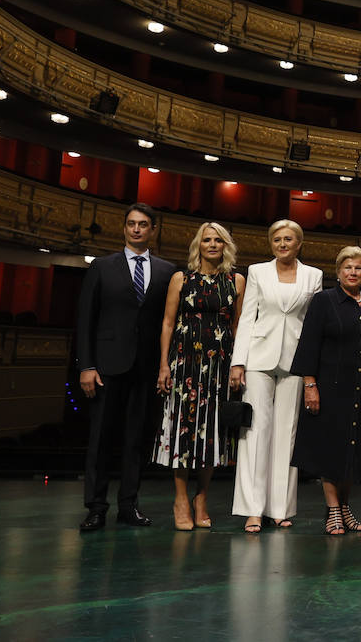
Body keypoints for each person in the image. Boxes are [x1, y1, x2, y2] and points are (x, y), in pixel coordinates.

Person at [75, 202, 176, 531]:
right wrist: (86, 365)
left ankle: (129, 505)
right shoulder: (102, 267)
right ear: (124, 228)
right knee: (101, 439)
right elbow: (85, 321)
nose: (136, 229)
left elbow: (167, 322)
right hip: (106, 367)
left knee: (137, 440)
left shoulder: (166, 271)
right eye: (131, 223)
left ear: (153, 230)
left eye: (143, 224)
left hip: (145, 368)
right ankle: (96, 506)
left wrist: (165, 365)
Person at [230, 219, 323, 533]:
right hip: (258, 357)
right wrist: (238, 361)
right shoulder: (257, 272)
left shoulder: (314, 275)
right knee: (255, 431)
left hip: (296, 358)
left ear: (299, 243)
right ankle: (252, 509)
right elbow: (247, 318)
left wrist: (312, 367)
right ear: (271, 243)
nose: (283, 244)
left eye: (289, 239)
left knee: (288, 432)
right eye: (277, 240)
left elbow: (313, 325)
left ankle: (280, 508)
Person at [153, 221, 244, 531]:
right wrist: (164, 365)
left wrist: (238, 364)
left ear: (226, 245)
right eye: (207, 240)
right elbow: (167, 323)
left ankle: (201, 498)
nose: (213, 245)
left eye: (219, 240)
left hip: (220, 364)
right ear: (198, 245)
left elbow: (238, 328)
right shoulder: (182, 278)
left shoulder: (237, 280)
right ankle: (180, 499)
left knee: (212, 434)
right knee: (182, 430)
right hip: (184, 364)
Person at [291, 247, 361, 535]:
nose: (353, 272)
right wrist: (310, 384)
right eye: (348, 267)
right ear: (338, 271)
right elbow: (309, 344)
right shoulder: (324, 300)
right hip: (329, 387)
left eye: (358, 268)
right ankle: (333, 509)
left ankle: (344, 506)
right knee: (330, 449)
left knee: (353, 449)